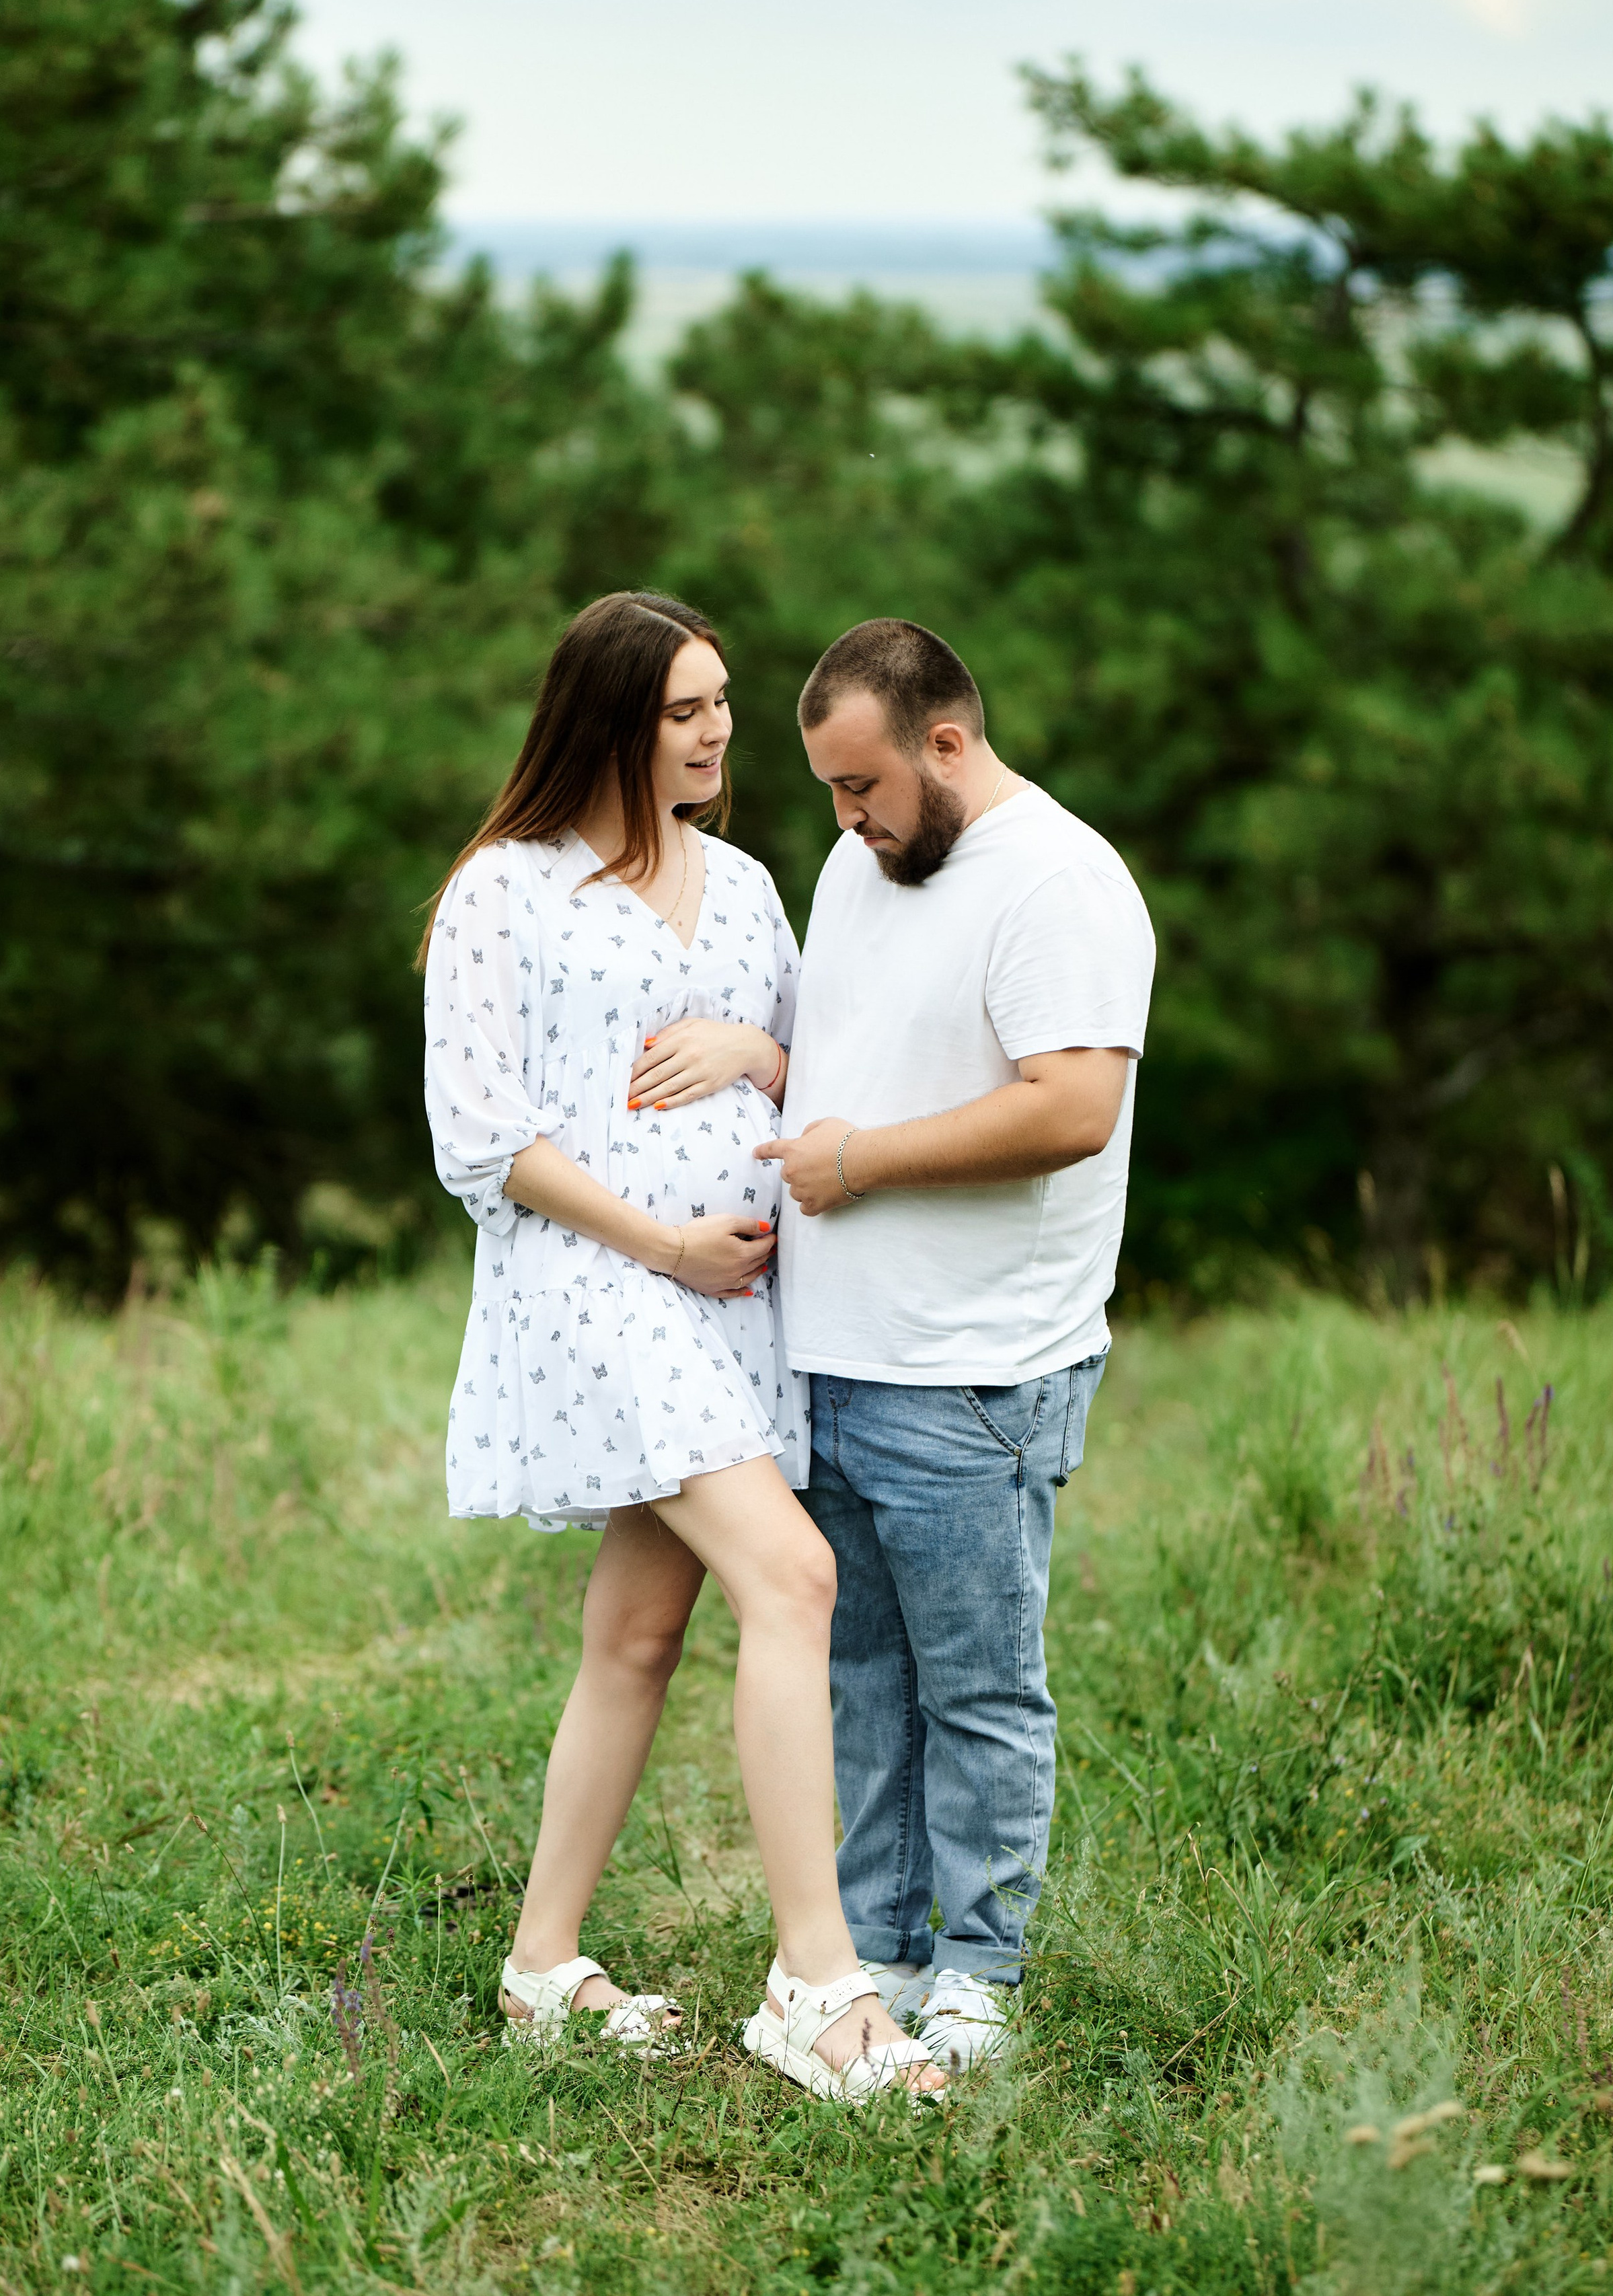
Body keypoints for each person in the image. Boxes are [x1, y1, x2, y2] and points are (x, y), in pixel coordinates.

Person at [420, 591, 944, 2101]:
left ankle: (540, 1964)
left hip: (736, 1305)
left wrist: (756, 1050)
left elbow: (825, 1071)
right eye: (684, 710)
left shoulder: (749, 884)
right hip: (599, 1285)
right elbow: (482, 1136)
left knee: (639, 1636)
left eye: (721, 703)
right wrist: (661, 1247)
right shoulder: (504, 891)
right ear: (608, 721)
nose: (718, 732)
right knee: (793, 1574)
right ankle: (817, 1985)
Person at [755, 618, 1155, 2071]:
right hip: (834, 1357)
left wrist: (856, 1164)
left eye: (862, 785)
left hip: (974, 1371)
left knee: (978, 1689)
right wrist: (765, 1073)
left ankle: (981, 1969)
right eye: (827, 789)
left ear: (946, 741)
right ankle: (876, 1947)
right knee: (865, 1682)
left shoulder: (1059, 882)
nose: (843, 818)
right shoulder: (858, 866)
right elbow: (858, 1064)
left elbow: (1071, 1108)